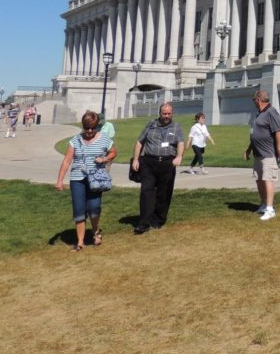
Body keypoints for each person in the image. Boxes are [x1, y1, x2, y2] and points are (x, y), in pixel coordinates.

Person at [55, 110, 117, 251]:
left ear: (97, 127)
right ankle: (80, 242)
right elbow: (66, 161)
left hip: (95, 179)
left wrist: (104, 159)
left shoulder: (104, 139)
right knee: (79, 210)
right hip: (77, 179)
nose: (89, 131)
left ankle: (95, 231)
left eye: (93, 128)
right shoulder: (75, 140)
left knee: (94, 208)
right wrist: (60, 181)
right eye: (87, 127)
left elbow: (114, 152)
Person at [130, 102, 184, 234]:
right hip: (149, 162)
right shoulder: (151, 125)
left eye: (169, 113)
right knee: (146, 191)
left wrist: (179, 156)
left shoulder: (176, 127)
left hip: (167, 163)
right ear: (160, 113)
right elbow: (139, 142)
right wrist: (136, 159)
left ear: (172, 113)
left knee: (164, 193)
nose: (166, 116)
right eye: (164, 113)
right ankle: (143, 223)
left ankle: (158, 219)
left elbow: (181, 143)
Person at [244, 90, 280, 221]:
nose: (253, 102)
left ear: (258, 99)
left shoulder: (271, 112)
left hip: (268, 154)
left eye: (254, 100)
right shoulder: (259, 114)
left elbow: (279, 131)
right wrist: (248, 150)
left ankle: (270, 209)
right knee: (259, 179)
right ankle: (264, 204)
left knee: (268, 179)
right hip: (258, 154)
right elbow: (254, 135)